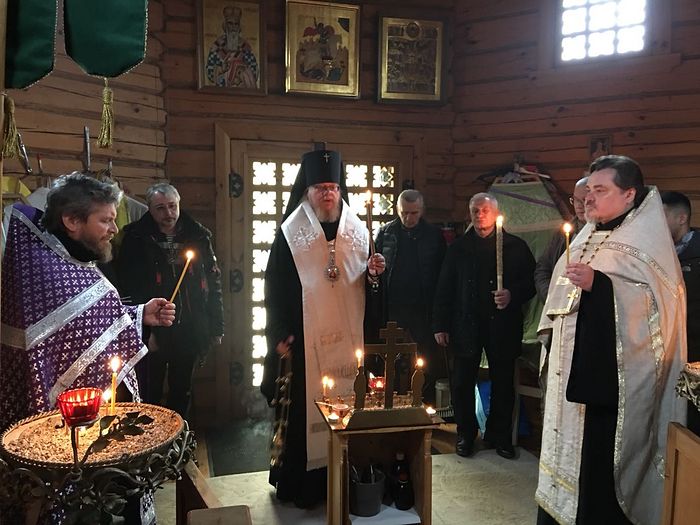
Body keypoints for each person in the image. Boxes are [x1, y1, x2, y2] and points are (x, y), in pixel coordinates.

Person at [0, 173, 175, 525]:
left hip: (86, 420)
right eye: (106, 220)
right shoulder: (48, 272)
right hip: (62, 426)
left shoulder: (64, 258)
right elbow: (74, 326)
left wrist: (139, 315)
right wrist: (131, 318)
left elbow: (89, 320)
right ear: (72, 221)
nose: (114, 228)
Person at [537, 156, 686, 525]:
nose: (589, 197)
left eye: (600, 190)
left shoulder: (646, 244)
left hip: (610, 388)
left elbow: (657, 310)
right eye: (588, 190)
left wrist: (600, 287)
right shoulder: (587, 233)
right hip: (569, 376)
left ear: (629, 194)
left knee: (597, 469)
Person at [260, 149, 386, 509]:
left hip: (350, 341)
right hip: (305, 341)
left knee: (352, 406)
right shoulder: (290, 233)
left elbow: (369, 287)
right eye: (320, 187)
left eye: (332, 186)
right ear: (307, 191)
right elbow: (274, 286)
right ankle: (306, 486)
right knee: (304, 413)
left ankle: (351, 480)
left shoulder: (359, 233)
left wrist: (376, 276)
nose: (327, 193)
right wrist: (280, 331)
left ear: (340, 190)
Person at [432, 193, 536, 459]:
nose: (480, 215)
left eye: (486, 210)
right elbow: (444, 287)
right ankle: (466, 434)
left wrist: (512, 294)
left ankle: (499, 436)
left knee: (503, 381)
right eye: (476, 210)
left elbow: (532, 283)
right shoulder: (457, 248)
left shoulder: (515, 247)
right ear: (470, 214)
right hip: (465, 323)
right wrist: (440, 325)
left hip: (503, 325)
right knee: (462, 381)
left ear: (496, 213)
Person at [117, 183, 224, 418]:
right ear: (150, 209)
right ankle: (151, 441)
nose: (168, 214)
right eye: (160, 208)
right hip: (152, 328)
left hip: (189, 326)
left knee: (182, 389)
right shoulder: (134, 237)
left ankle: (177, 441)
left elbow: (212, 282)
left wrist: (217, 325)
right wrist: (145, 332)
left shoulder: (199, 236)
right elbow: (127, 286)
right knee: (149, 391)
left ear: (179, 204)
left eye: (172, 206)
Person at [374, 189, 446, 404]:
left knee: (425, 360)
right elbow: (375, 268)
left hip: (423, 307)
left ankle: (425, 404)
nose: (408, 218)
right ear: (398, 210)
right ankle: (391, 404)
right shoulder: (386, 233)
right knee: (390, 359)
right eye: (404, 213)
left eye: (414, 213)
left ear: (421, 211)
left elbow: (442, 273)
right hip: (393, 306)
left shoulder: (434, 236)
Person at [662, 190, 700, 435]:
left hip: (695, 349)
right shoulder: (658, 253)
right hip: (667, 350)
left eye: (662, 216)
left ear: (681, 218)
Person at [534, 176, 588, 302]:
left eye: (584, 200)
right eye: (575, 200)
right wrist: (550, 295)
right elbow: (543, 269)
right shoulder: (563, 234)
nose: (579, 206)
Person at [206, 6, 259, 88]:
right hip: (222, 90)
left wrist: (241, 72)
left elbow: (254, 69)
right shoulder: (217, 46)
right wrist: (221, 69)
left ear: (239, 26)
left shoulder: (245, 46)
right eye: (230, 23)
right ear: (225, 25)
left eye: (236, 24)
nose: (233, 27)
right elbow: (209, 71)